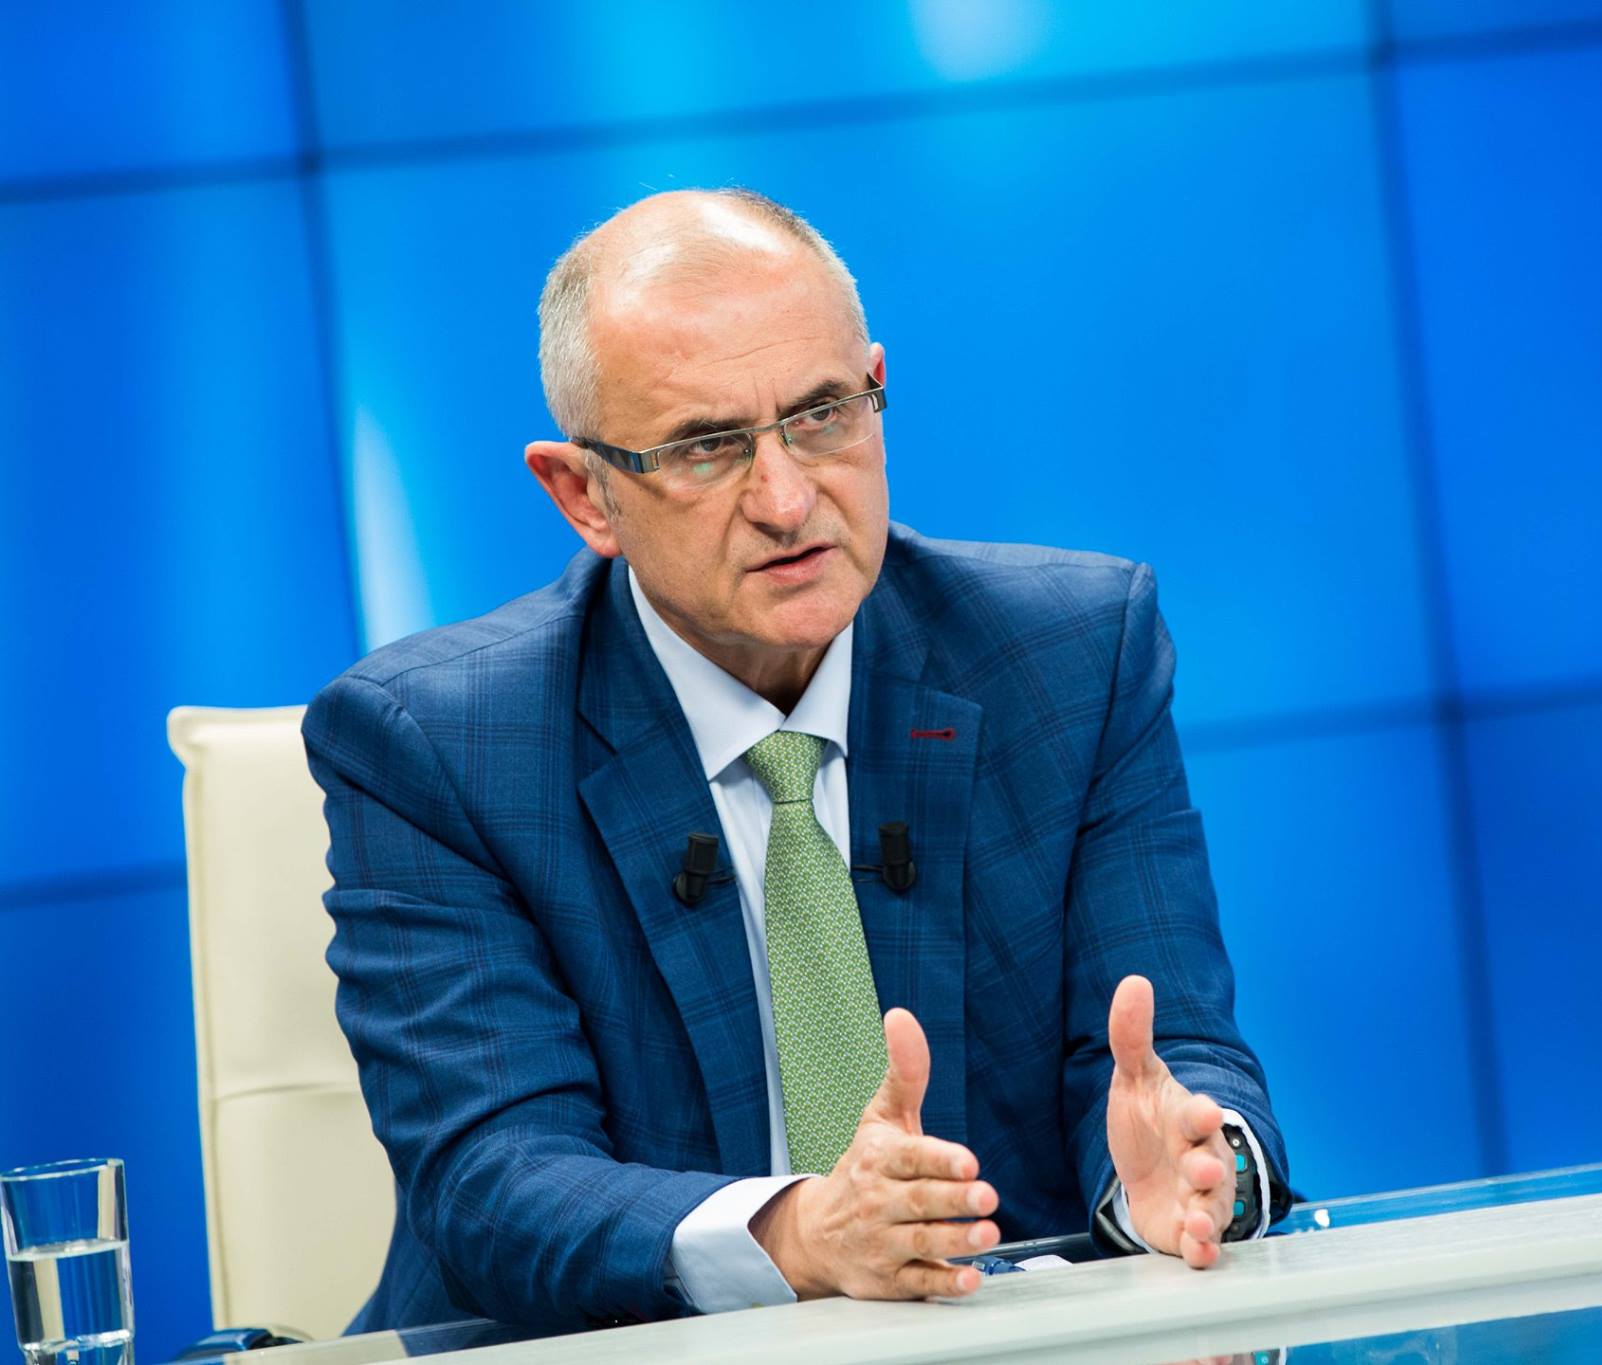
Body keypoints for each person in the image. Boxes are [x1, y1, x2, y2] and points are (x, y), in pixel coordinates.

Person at [304, 188, 1291, 1331]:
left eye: (822, 415)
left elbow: (1167, 1055)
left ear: (874, 388)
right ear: (584, 494)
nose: (784, 501)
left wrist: (1195, 1170)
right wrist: (798, 1236)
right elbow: (496, 1179)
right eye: (704, 447)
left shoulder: (1070, 660)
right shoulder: (437, 747)